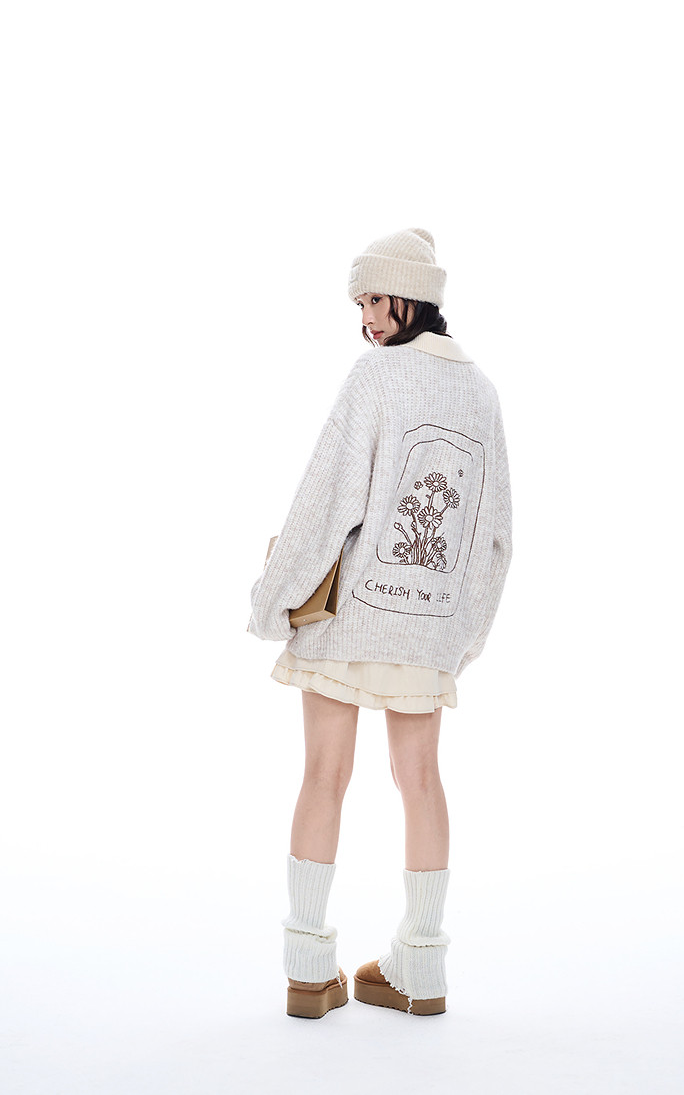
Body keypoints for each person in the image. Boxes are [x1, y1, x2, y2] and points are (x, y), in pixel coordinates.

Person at [247, 227, 513, 1018]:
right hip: (426, 629)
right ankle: (421, 966)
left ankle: (308, 967)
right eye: (359, 303)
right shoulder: (483, 393)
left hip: (349, 621)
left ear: (410, 295)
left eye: (372, 298)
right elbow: (495, 537)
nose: (364, 317)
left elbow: (325, 501)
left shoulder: (376, 378)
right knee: (421, 779)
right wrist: (461, 636)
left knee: (323, 775)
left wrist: (271, 596)